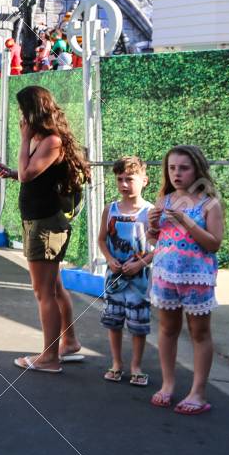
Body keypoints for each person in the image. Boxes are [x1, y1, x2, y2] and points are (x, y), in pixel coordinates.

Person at [0, 85, 89, 373]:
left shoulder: (50, 140)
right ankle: (68, 343)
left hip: (46, 224)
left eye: (23, 110)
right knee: (55, 287)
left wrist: (22, 142)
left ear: (34, 110)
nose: (20, 116)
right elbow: (28, 175)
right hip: (39, 220)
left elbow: (28, 173)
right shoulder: (43, 139)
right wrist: (10, 172)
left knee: (43, 291)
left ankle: (49, 357)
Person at [148, 145, 225, 415]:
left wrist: (186, 222)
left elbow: (214, 244)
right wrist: (152, 226)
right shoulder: (164, 200)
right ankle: (168, 384)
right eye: (172, 168)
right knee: (168, 329)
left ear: (197, 170)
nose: (177, 173)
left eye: (184, 168)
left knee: (199, 332)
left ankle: (198, 392)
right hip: (166, 275)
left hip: (197, 278)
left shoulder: (209, 204)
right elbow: (154, 239)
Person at [98, 156, 153, 386]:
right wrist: (110, 259)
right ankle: (117, 363)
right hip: (114, 278)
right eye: (120, 179)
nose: (124, 184)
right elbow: (102, 240)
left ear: (144, 180)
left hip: (139, 281)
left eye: (129, 179)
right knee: (114, 321)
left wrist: (140, 263)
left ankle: (136, 366)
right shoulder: (109, 209)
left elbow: (157, 247)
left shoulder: (151, 212)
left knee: (138, 325)